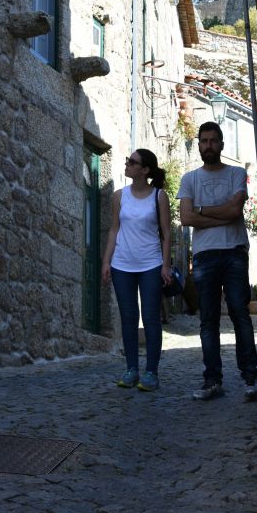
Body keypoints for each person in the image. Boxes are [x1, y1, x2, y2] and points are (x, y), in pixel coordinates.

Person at [178, 121, 257, 401]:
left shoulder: (236, 173)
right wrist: (220, 213)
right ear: (199, 144)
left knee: (240, 313)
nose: (209, 145)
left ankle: (250, 378)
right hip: (204, 256)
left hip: (234, 250)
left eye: (213, 140)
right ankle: (212, 380)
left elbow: (235, 210)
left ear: (222, 144)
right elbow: (186, 218)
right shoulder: (189, 179)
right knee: (208, 319)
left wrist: (201, 211)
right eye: (204, 141)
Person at [102, 149, 172, 392]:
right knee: (128, 317)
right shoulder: (119, 196)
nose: (127, 164)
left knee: (151, 318)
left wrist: (166, 264)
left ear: (145, 170)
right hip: (122, 264)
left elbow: (166, 233)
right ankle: (131, 369)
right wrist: (106, 261)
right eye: (127, 161)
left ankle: (151, 372)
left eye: (132, 162)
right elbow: (114, 229)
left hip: (150, 264)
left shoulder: (159, 197)